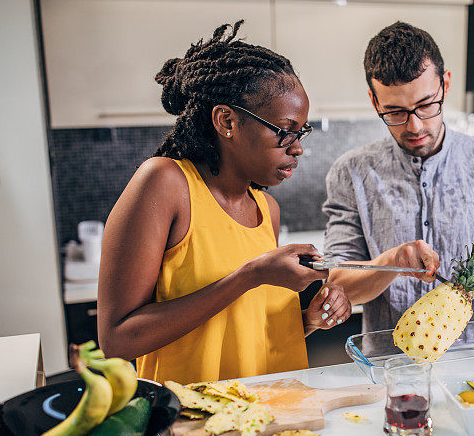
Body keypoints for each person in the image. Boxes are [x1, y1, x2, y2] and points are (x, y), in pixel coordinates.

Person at [97, 21, 351, 384]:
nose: (298, 148)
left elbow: (244, 332)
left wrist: (309, 319)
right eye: (285, 131)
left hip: (272, 412)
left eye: (302, 132)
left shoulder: (267, 211)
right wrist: (250, 276)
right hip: (194, 420)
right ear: (226, 120)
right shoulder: (166, 184)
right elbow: (117, 340)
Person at [322, 21, 474, 336]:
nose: (414, 126)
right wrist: (393, 261)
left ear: (445, 85)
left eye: (426, 105)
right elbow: (338, 286)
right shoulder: (351, 173)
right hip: (390, 369)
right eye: (395, 112)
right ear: (375, 102)